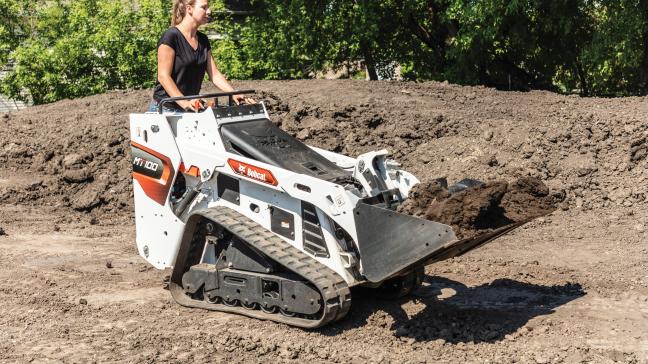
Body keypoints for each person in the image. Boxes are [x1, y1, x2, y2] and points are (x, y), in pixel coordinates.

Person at [148, 0, 253, 112]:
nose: (209, 11)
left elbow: (215, 75)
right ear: (189, 9)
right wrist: (185, 103)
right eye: (204, 7)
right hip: (165, 109)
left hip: (190, 107)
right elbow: (163, 77)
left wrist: (234, 93)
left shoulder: (203, 40)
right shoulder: (171, 36)